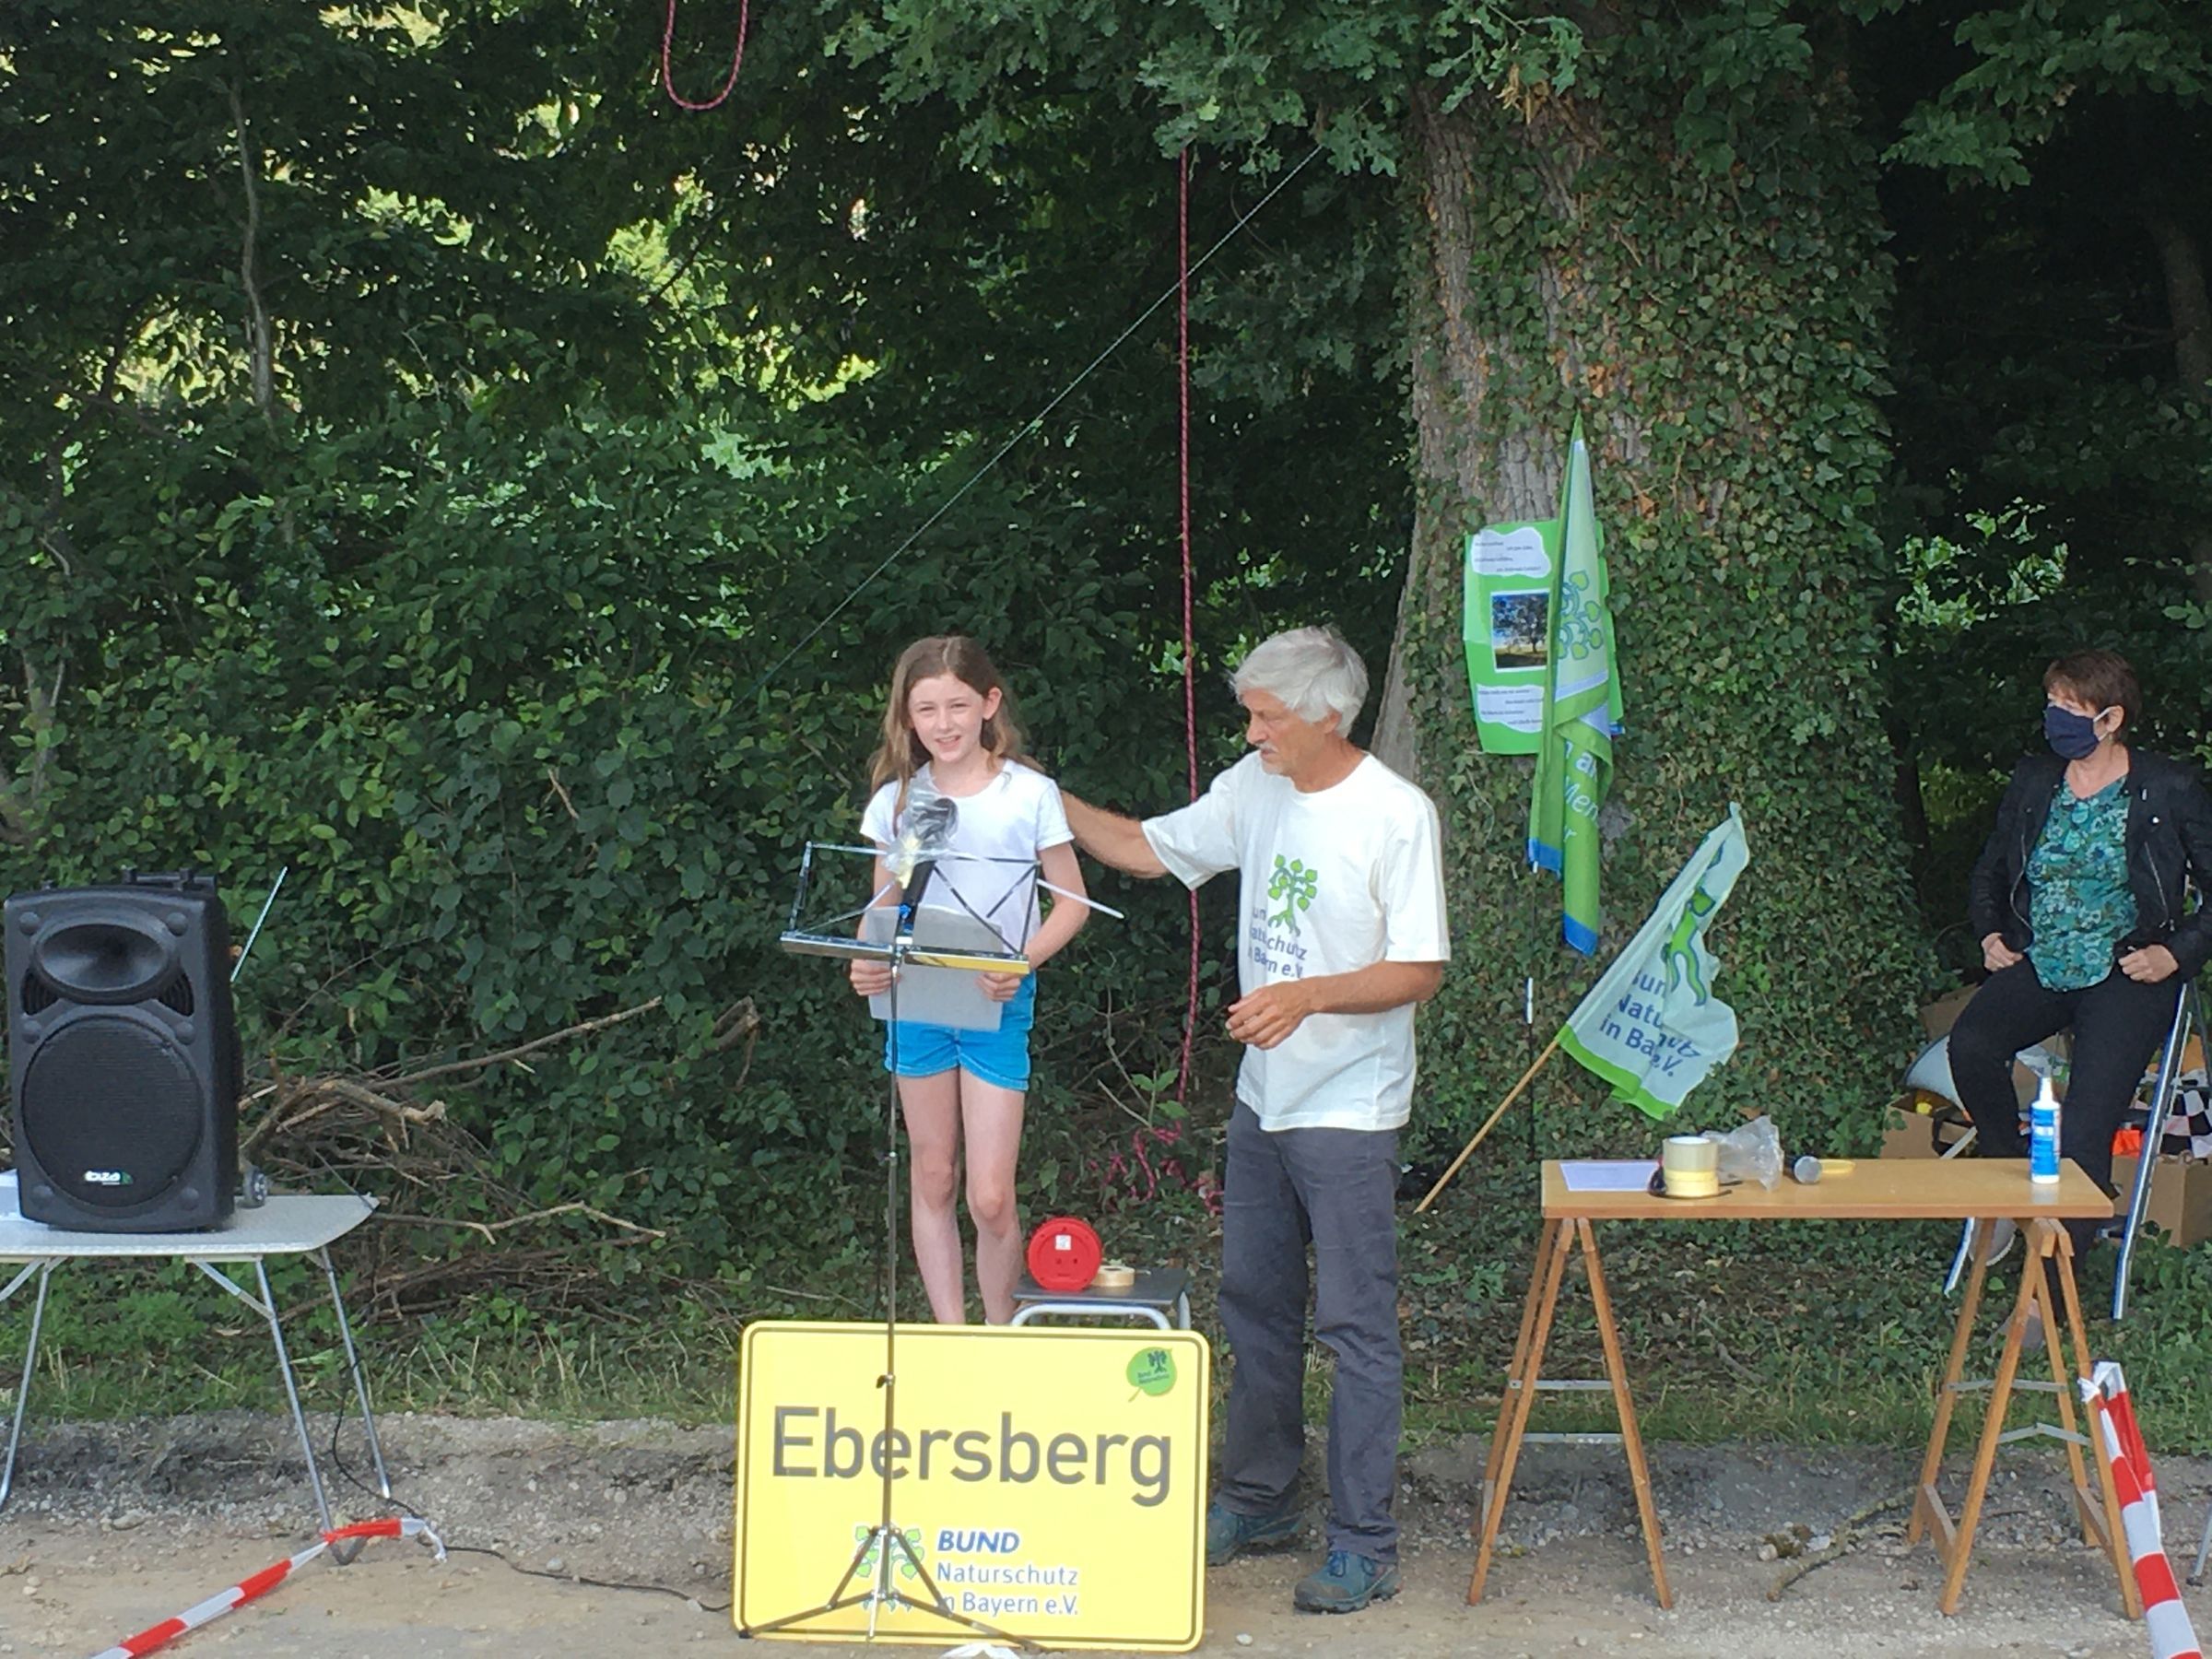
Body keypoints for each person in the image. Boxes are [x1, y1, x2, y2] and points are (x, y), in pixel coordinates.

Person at [1060, 625, 1448, 1616]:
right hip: (1262, 1099)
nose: (1253, 730)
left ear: (1328, 715)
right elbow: (1149, 848)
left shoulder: (1395, 814)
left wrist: (1309, 996)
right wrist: (1036, 795)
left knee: (1356, 1324)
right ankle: (1260, 1498)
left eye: (1268, 715)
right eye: (1249, 713)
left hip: (1351, 1110)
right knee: (1254, 1303)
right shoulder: (1256, 785)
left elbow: (1420, 968)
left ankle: (1365, 1541)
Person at [850, 636, 1088, 1325]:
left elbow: (1070, 901)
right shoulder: (902, 800)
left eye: (957, 705)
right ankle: (951, 1338)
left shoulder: (1029, 793)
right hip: (918, 997)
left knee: (989, 1195)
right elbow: (883, 908)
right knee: (932, 1173)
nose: (943, 723)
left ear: (989, 704)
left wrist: (1021, 962)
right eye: (926, 709)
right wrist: (866, 962)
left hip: (995, 997)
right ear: (907, 717)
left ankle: (998, 1334)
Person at [1955, 648, 2212, 1258]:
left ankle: (2056, 1279)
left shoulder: (2167, 787)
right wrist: (1990, 934)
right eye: (2053, 703)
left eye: (2071, 707)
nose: (2056, 717)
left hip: (2127, 970)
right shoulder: (2035, 780)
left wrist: (2175, 954)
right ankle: (2011, 1183)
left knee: (2086, 1125)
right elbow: (1990, 870)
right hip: (2045, 960)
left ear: (2111, 718)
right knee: (1971, 1046)